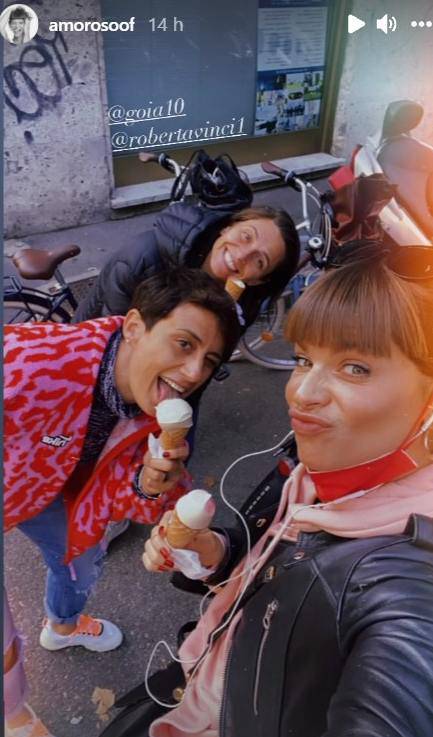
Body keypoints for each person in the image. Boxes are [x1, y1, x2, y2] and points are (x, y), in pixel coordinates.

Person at [109, 243, 433, 737]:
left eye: (355, 367)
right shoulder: (311, 467)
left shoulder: (407, 582)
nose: (302, 393)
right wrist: (213, 552)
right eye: (303, 359)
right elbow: (279, 553)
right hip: (193, 684)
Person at [4, 267, 240, 737]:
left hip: (51, 496)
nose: (194, 373)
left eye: (209, 361)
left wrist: (148, 483)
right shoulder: (31, 361)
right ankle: (12, 715)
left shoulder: (156, 416)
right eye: (184, 344)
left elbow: (131, 500)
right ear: (134, 327)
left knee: (83, 560)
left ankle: (63, 626)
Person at [73, 203, 300, 330]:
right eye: (246, 236)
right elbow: (111, 340)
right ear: (228, 227)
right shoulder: (142, 259)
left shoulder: (241, 306)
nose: (242, 255)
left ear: (259, 280)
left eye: (259, 261)